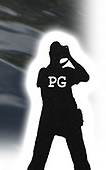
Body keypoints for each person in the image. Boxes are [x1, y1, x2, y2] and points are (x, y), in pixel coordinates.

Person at [32, 39, 92, 170]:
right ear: (60, 56)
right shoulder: (67, 72)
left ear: (50, 55)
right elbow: (85, 76)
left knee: (38, 161)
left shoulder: (43, 73)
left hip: (49, 118)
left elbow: (85, 77)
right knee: (80, 161)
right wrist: (70, 58)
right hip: (67, 118)